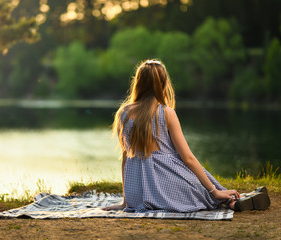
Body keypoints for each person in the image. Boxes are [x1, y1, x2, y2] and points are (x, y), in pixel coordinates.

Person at [103, 59, 270, 212]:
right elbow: (188, 158)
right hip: (161, 185)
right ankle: (232, 201)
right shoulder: (166, 113)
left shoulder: (123, 113)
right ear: (163, 83)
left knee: (201, 185)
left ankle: (231, 198)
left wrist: (126, 202)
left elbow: (125, 158)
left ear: (138, 83)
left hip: (137, 194)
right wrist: (214, 191)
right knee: (202, 188)